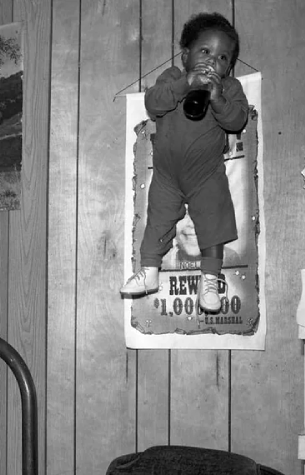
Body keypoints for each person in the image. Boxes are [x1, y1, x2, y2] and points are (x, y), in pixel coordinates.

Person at [121, 11, 248, 313]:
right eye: (205, 52)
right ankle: (150, 270)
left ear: (229, 67)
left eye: (222, 58)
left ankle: (210, 279)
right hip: (167, 174)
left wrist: (217, 98)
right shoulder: (173, 78)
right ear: (185, 54)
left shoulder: (229, 89)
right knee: (157, 219)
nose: (212, 61)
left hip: (206, 174)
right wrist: (185, 85)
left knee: (213, 220)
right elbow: (153, 103)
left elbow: (236, 120)